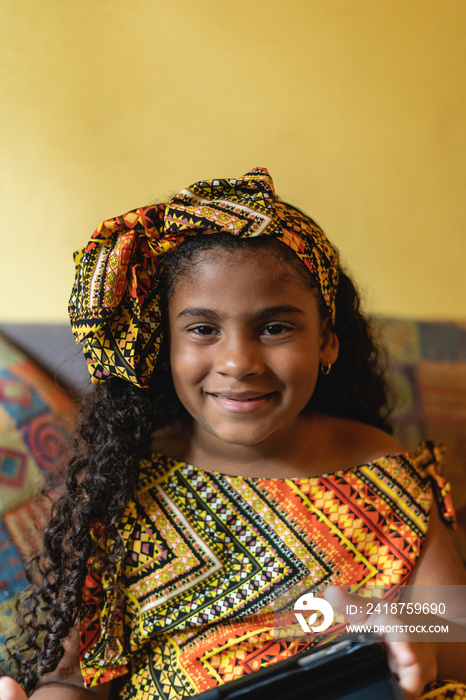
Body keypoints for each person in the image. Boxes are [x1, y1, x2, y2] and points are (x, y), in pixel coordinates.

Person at [1, 167, 466, 700]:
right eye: (202, 330)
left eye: (275, 327)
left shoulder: (379, 465)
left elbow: (454, 624)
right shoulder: (120, 484)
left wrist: (402, 632)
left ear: (327, 343)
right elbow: (70, 682)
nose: (239, 361)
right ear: (165, 346)